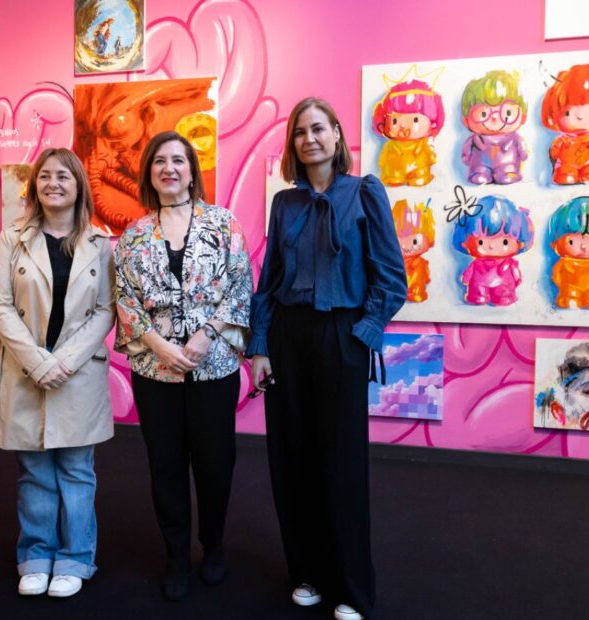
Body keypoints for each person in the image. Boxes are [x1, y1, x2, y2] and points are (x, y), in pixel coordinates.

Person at [248, 98, 407, 620]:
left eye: (319, 128)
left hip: (342, 334)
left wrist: (363, 334)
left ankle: (351, 588)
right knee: (292, 458)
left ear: (337, 135)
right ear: (292, 144)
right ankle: (307, 572)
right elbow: (270, 280)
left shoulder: (364, 192)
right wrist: (261, 345)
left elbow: (391, 277)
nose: (310, 139)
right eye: (300, 132)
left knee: (341, 463)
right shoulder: (284, 204)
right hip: (289, 336)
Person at [113, 131, 253, 601]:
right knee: (166, 466)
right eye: (159, 161)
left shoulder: (223, 223)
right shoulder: (133, 235)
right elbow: (124, 300)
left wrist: (205, 335)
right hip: (156, 372)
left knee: (216, 464)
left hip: (213, 366)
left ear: (192, 171)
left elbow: (240, 286)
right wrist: (158, 344)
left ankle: (213, 546)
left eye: (178, 160)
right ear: (149, 174)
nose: (168, 168)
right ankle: (175, 555)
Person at [0, 148, 115, 598]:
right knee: (34, 469)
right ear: (34, 186)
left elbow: (105, 309)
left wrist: (64, 360)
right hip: (24, 367)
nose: (54, 183)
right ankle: (36, 554)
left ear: (79, 186)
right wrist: (37, 361)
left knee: (76, 470)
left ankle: (76, 557)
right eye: (45, 176)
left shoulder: (100, 244)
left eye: (63, 176)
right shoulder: (11, 238)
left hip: (77, 370)